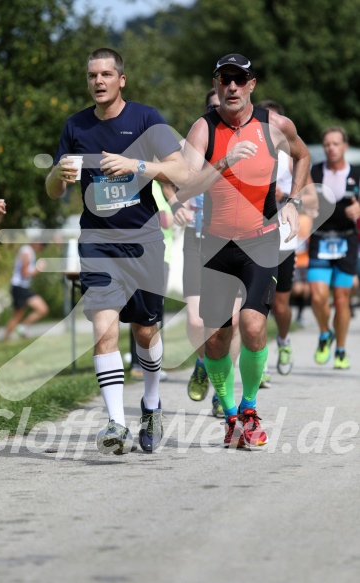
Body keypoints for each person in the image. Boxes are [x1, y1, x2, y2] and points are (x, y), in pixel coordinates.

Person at [46, 47, 187, 455]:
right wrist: (57, 174)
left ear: (121, 79)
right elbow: (53, 190)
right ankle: (115, 423)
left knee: (145, 330)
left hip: (142, 242)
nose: (99, 81)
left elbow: (181, 170)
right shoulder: (75, 126)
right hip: (97, 243)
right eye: (93, 76)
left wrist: (136, 166)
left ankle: (152, 403)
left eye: (107, 74)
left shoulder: (146, 119)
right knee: (104, 328)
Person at [176, 53, 310, 448]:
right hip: (215, 244)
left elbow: (303, 156)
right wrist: (223, 163)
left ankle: (249, 410)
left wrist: (295, 201)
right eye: (224, 79)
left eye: (239, 79)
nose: (231, 87)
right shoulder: (203, 129)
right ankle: (230, 415)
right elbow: (184, 187)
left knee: (252, 325)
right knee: (216, 338)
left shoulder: (275, 126)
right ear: (216, 84)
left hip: (259, 239)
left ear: (252, 84)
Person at [174, 88, 241, 418]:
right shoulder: (191, 144)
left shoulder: (246, 144)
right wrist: (176, 204)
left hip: (233, 240)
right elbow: (167, 179)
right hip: (197, 238)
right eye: (214, 107)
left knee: (233, 321)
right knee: (195, 321)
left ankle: (223, 391)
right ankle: (203, 361)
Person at [256, 100, 318, 379]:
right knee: (255, 306)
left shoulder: (293, 158)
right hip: (254, 238)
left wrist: (289, 199)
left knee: (280, 305)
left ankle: (283, 340)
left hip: (283, 239)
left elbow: (313, 200)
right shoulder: (251, 151)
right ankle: (260, 362)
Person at [307, 126, 360, 369]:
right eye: (327, 144)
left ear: (345, 147)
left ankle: (340, 349)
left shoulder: (357, 174)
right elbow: (303, 200)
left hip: (346, 241)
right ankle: (324, 333)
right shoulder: (315, 172)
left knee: (341, 300)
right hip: (320, 239)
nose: (331, 148)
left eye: (336, 144)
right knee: (318, 297)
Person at [129, 180, 173, 382]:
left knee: (146, 311)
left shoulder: (156, 181)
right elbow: (164, 220)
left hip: (158, 254)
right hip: (150, 254)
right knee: (145, 312)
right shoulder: (153, 183)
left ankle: (145, 363)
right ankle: (141, 364)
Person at [4, 242, 49, 339]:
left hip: (23, 287)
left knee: (42, 309)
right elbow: (24, 273)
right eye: (42, 246)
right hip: (19, 287)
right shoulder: (27, 252)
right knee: (18, 316)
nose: (41, 248)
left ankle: (22, 327)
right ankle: (6, 337)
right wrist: (38, 269)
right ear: (38, 243)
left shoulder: (28, 251)